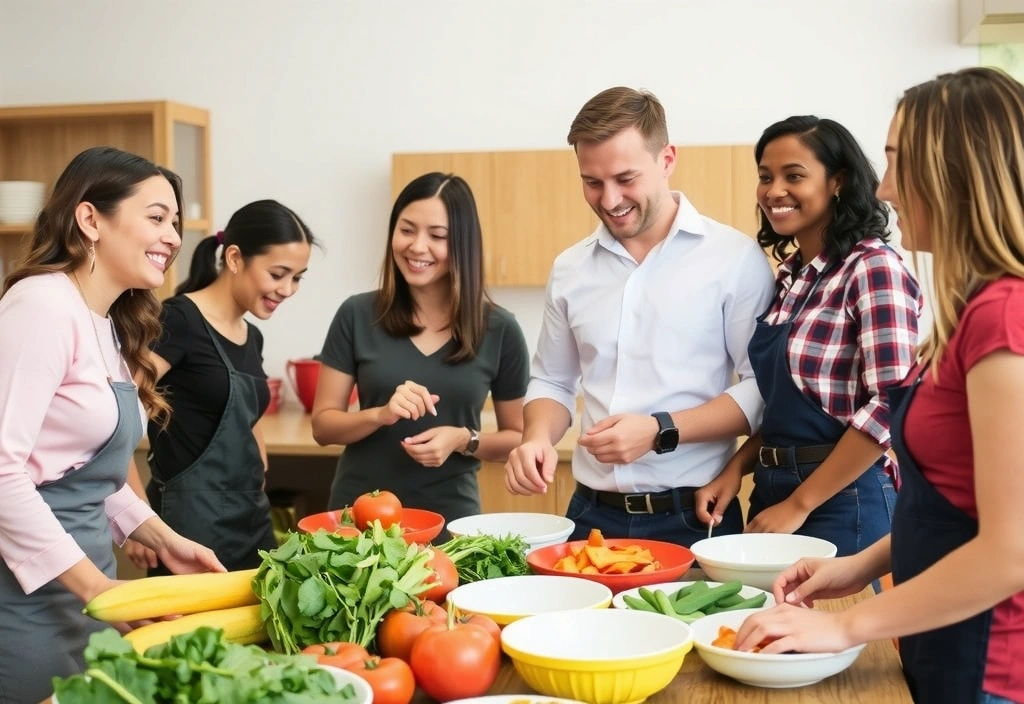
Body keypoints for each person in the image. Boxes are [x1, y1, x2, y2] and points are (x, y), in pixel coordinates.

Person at [735, 67, 1024, 704]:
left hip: (987, 661)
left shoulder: (1004, 317)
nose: (885, 188)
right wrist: (858, 568)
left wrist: (848, 628)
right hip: (938, 639)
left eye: (896, 163)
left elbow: (1010, 552)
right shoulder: (969, 308)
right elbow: (948, 506)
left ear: (953, 172)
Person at [0, 146, 225, 704]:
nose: (173, 237)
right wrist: (98, 588)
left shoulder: (105, 322)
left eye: (174, 222)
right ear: (90, 219)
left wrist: (160, 537)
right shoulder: (41, 307)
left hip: (86, 588)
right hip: (27, 596)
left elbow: (82, 470)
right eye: (156, 217)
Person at [504, 86, 775, 545]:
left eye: (625, 178)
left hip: (694, 515)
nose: (610, 199)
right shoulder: (570, 267)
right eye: (592, 182)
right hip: (589, 514)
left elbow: (761, 391)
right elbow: (552, 381)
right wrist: (535, 438)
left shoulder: (734, 259)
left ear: (667, 159)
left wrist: (658, 431)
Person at [694, 116, 922, 558]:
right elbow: (787, 406)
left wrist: (800, 503)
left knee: (839, 625)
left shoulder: (872, 267)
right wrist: (735, 468)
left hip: (845, 499)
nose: (773, 190)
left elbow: (891, 403)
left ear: (838, 181)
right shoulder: (790, 278)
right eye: (765, 176)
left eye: (793, 175)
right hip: (772, 488)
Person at [311, 172, 529, 533]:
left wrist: (465, 439)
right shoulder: (357, 314)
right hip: (359, 521)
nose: (417, 246)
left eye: (437, 236)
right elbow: (323, 426)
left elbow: (520, 436)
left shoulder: (499, 329)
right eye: (407, 229)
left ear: (462, 244)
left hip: (451, 522)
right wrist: (380, 414)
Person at [124, 200, 315, 575]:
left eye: (297, 277)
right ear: (234, 258)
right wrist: (134, 518)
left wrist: (259, 465)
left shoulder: (252, 337)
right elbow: (115, 416)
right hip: (186, 531)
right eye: (278, 274)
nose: (288, 289)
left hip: (251, 524)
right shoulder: (177, 320)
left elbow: (248, 415)